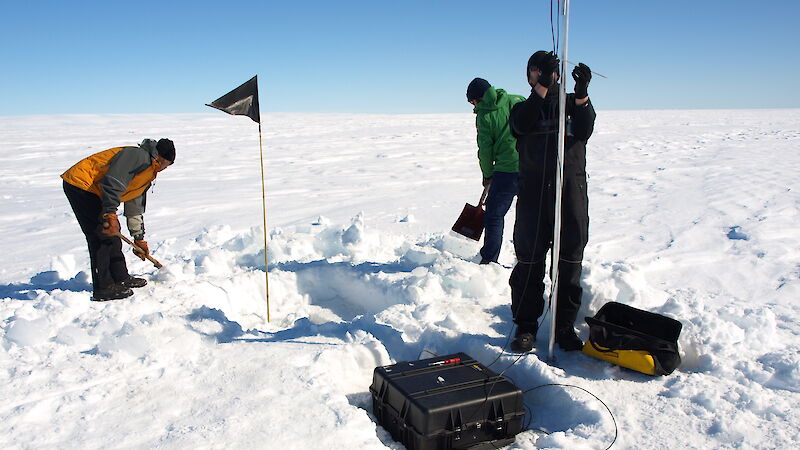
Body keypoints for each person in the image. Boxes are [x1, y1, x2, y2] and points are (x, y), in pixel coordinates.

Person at [507, 51, 596, 352]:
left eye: (547, 71)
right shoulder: (523, 107)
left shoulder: (572, 106)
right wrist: (541, 89)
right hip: (534, 195)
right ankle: (526, 327)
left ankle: (564, 327)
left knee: (569, 262)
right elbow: (521, 125)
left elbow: (585, 129)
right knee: (529, 262)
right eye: (536, 71)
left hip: (569, 194)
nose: (542, 75)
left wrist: (582, 95)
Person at [61, 138, 175, 301]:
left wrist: (139, 239)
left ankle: (120, 277)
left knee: (113, 234)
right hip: (81, 185)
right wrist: (110, 215)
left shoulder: (149, 172)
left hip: (96, 190)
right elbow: (113, 183)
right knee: (101, 235)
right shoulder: (138, 156)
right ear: (161, 158)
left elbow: (134, 207)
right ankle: (104, 287)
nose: (166, 168)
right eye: (167, 164)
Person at [466, 78, 526, 264]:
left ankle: (489, 260)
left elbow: (485, 149)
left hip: (505, 172)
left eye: (472, 102)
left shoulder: (484, 116)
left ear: (478, 98)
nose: (473, 106)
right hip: (530, 167)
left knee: (494, 215)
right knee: (527, 215)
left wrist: (487, 174)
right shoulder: (517, 99)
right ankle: (527, 260)